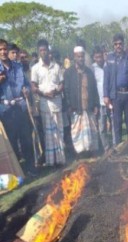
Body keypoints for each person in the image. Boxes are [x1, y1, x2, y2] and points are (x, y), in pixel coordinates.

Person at [0, 39, 36, 176]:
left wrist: (26, 89)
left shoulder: (18, 67)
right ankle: (16, 173)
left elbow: (26, 84)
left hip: (21, 108)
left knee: (26, 139)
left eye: (4, 49)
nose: (3, 52)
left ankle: (31, 169)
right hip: (6, 111)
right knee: (12, 143)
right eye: (0, 50)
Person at [31, 39, 65, 167]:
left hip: (57, 103)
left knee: (59, 132)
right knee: (49, 134)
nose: (43, 52)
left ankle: (61, 159)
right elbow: (33, 87)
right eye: (41, 50)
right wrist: (44, 94)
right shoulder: (35, 68)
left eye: (45, 50)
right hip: (45, 105)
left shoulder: (56, 67)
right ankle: (51, 161)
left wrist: (55, 91)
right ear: (38, 52)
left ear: (48, 51)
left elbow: (62, 84)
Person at [103, 33, 128, 146]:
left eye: (120, 43)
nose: (118, 46)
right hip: (116, 96)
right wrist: (106, 95)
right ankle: (118, 149)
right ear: (113, 46)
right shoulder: (109, 59)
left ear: (123, 44)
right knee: (117, 124)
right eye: (116, 44)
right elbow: (106, 79)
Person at [64, 46, 100, 156]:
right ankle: (80, 155)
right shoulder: (69, 72)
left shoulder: (89, 72)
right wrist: (69, 105)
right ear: (74, 57)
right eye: (78, 57)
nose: (81, 59)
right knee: (77, 134)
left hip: (88, 108)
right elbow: (66, 90)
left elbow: (94, 89)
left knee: (90, 134)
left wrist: (96, 105)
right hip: (76, 109)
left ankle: (90, 153)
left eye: (82, 56)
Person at [92, 46, 112, 152]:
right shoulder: (92, 68)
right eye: (96, 57)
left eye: (100, 56)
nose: (99, 59)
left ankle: (115, 145)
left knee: (113, 124)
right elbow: (92, 87)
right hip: (100, 103)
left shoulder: (108, 65)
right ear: (94, 58)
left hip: (110, 101)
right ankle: (106, 148)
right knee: (102, 127)